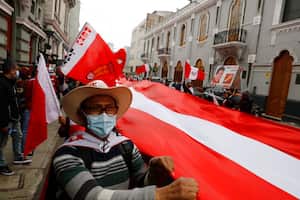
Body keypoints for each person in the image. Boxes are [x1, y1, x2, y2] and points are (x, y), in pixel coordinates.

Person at [50, 80, 198, 200]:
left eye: (109, 108)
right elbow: (91, 195)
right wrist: (162, 195)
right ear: (82, 114)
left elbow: (141, 182)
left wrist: (154, 171)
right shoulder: (67, 154)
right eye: (95, 108)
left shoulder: (126, 145)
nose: (104, 113)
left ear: (116, 112)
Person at [0, 58, 32, 176]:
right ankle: (1, 165)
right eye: (16, 70)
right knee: (1, 143)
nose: (17, 72)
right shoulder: (2, 84)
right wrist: (3, 124)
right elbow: (2, 106)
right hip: (5, 120)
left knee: (18, 135)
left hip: (14, 118)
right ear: (10, 70)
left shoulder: (11, 82)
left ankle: (18, 156)